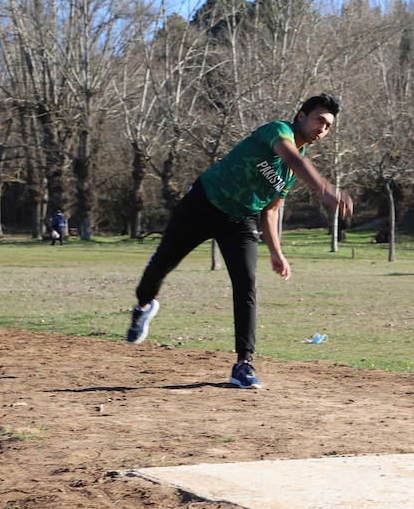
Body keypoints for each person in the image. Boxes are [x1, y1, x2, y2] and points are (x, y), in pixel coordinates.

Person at [126, 94, 354, 389]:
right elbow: (291, 155)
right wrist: (324, 188)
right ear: (300, 116)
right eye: (319, 120)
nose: (322, 129)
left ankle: (243, 364)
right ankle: (143, 306)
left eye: (328, 126)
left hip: (241, 221)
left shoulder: (291, 174)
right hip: (203, 204)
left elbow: (271, 210)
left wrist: (276, 252)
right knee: (162, 263)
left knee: (246, 284)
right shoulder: (278, 131)